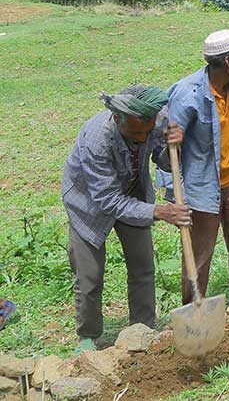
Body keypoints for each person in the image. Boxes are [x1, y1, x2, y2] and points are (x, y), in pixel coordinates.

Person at [63, 86, 190, 352]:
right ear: (117, 119)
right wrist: (158, 212)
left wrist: (174, 145)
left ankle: (142, 328)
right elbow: (107, 200)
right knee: (89, 275)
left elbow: (165, 162)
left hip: (133, 191)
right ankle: (88, 336)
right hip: (89, 204)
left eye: (147, 133)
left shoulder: (156, 120)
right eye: (135, 134)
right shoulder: (96, 139)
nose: (142, 139)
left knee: (143, 266)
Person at [167, 29, 229, 304]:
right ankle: (193, 305)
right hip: (203, 187)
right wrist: (172, 193)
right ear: (228, 62)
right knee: (199, 253)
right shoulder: (187, 94)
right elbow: (165, 149)